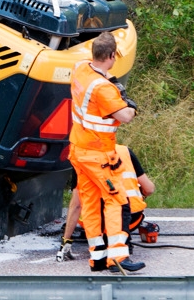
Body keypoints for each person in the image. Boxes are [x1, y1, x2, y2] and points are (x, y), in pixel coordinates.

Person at [65, 32, 145, 273]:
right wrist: (129, 102)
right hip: (98, 154)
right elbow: (125, 116)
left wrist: (111, 80)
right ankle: (118, 257)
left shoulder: (80, 69)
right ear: (111, 56)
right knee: (117, 201)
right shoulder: (104, 90)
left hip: (78, 150)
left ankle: (97, 257)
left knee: (89, 203)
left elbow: (101, 76)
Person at [58, 144, 156, 260]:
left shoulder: (82, 160)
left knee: (90, 210)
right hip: (133, 218)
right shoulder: (124, 151)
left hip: (102, 223)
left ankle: (106, 243)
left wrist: (66, 240)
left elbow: (76, 205)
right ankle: (121, 242)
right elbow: (149, 189)